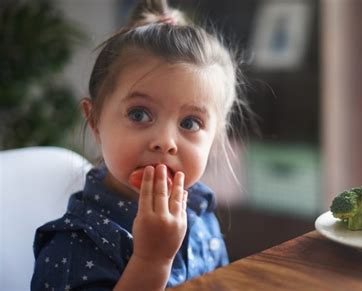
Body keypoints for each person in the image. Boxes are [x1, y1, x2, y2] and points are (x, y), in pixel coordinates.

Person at [31, 0, 247, 289]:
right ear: (95, 121)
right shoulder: (74, 246)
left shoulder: (199, 208)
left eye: (190, 123)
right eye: (139, 114)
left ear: (216, 136)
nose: (165, 142)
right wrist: (151, 260)